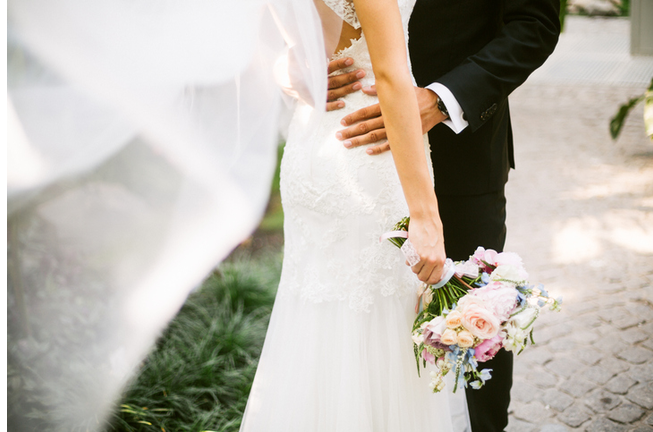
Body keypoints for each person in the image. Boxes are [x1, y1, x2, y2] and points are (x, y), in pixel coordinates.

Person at [326, 1, 561, 430]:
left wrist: (443, 100)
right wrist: (293, 70)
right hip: (349, 154)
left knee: (469, 325)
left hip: (459, 158)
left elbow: (535, 26)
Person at [239, 0, 471, 430]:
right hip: (367, 151)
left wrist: (286, 71)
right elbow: (389, 74)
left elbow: (245, 40)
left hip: (314, 143)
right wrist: (425, 215)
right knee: (377, 328)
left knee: (320, 323)